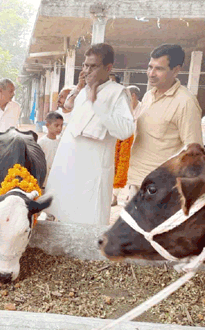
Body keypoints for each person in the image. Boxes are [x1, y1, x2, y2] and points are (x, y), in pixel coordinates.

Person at [44, 43, 134, 225]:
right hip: (69, 166)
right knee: (62, 213)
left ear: (108, 68)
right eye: (85, 65)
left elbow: (125, 131)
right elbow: (70, 112)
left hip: (93, 171)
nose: (87, 70)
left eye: (93, 66)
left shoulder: (118, 93)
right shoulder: (83, 91)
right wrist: (84, 89)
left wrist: (97, 102)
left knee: (88, 221)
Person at [127, 44, 202, 197]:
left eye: (159, 69)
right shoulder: (149, 95)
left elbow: (194, 151)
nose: (151, 73)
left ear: (176, 70)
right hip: (136, 181)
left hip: (159, 188)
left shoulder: (185, 102)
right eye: (150, 67)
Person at [111, 85, 142, 206]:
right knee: (119, 170)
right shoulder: (123, 110)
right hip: (123, 145)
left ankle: (132, 198)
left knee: (134, 175)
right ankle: (114, 196)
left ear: (133, 97)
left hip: (138, 147)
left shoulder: (143, 109)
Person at [37, 111, 63, 187]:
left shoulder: (60, 142)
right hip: (44, 180)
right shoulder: (42, 143)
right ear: (47, 125)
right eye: (56, 125)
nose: (59, 128)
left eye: (61, 125)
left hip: (57, 178)